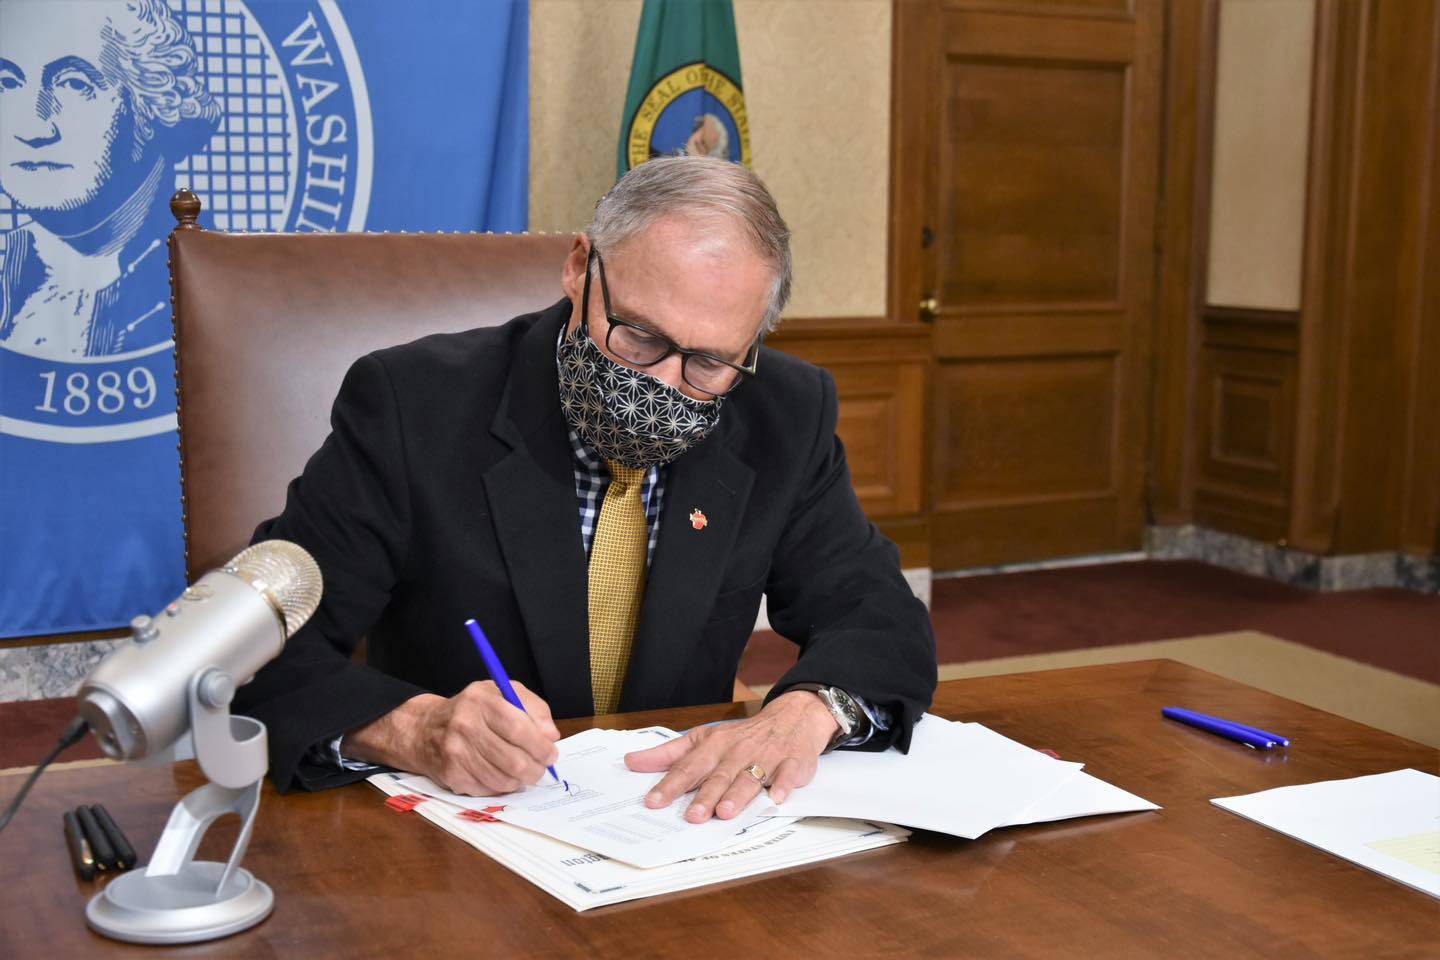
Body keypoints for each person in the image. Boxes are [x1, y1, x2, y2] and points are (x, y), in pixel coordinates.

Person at [236, 156, 937, 823]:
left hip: (672, 829)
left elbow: (877, 614)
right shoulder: (414, 406)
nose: (662, 386)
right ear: (579, 268)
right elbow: (251, 651)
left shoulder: (784, 411)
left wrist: (806, 713)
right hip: (457, 836)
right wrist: (413, 728)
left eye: (710, 362)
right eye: (637, 337)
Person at [0, 0, 219, 358]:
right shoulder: (13, 262)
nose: (33, 127)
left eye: (74, 83)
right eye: (7, 82)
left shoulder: (218, 284)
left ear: (152, 103)